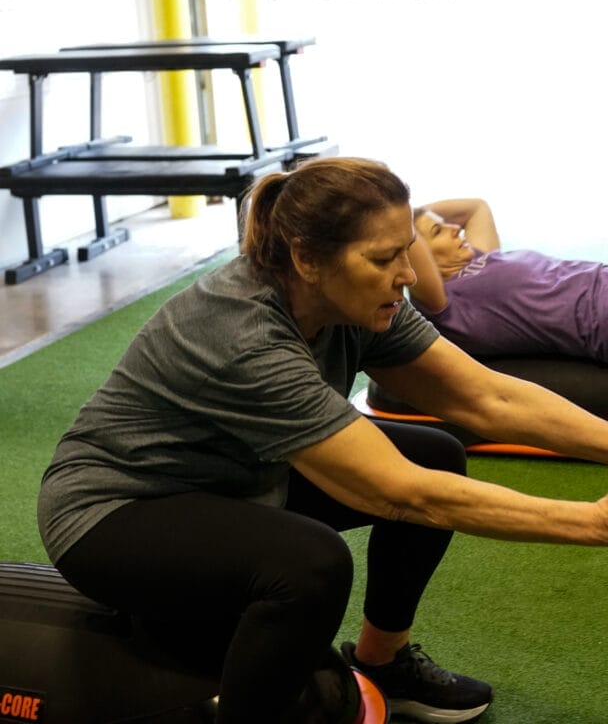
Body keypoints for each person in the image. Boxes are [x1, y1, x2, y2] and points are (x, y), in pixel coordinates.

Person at [37, 158, 608, 724]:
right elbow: (401, 493)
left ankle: (384, 662)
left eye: (407, 250)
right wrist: (590, 522)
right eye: (383, 258)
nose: (408, 275)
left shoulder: (360, 302)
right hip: (117, 509)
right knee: (311, 563)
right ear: (306, 259)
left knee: (435, 454)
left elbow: (486, 397)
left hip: (241, 475)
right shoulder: (243, 334)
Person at [410, 196, 608, 362]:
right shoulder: (447, 303)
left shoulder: (479, 256)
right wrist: (403, 218)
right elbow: (405, 240)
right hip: (598, 317)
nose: (455, 228)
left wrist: (420, 214)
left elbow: (475, 208)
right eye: (438, 231)